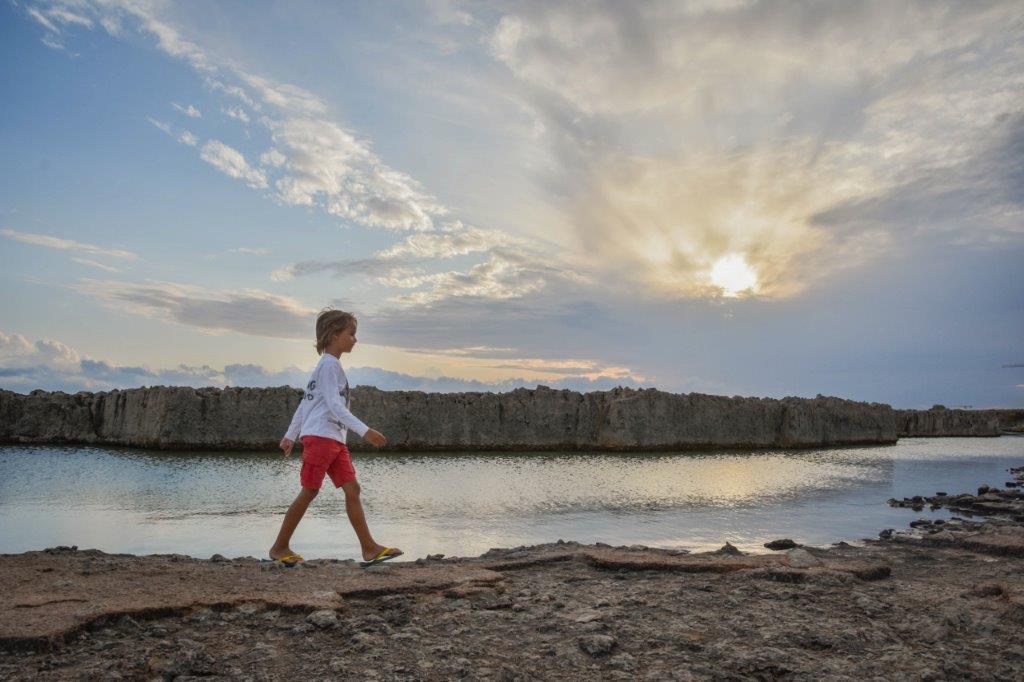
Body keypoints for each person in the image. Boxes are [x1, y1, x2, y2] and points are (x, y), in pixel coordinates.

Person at [268, 308, 402, 567]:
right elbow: (332, 405)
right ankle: (279, 547)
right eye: (351, 334)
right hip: (320, 437)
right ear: (334, 335)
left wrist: (289, 435)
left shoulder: (329, 367)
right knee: (309, 491)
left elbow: (306, 403)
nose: (355, 339)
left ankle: (369, 548)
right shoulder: (328, 365)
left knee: (353, 488)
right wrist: (365, 431)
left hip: (333, 439)